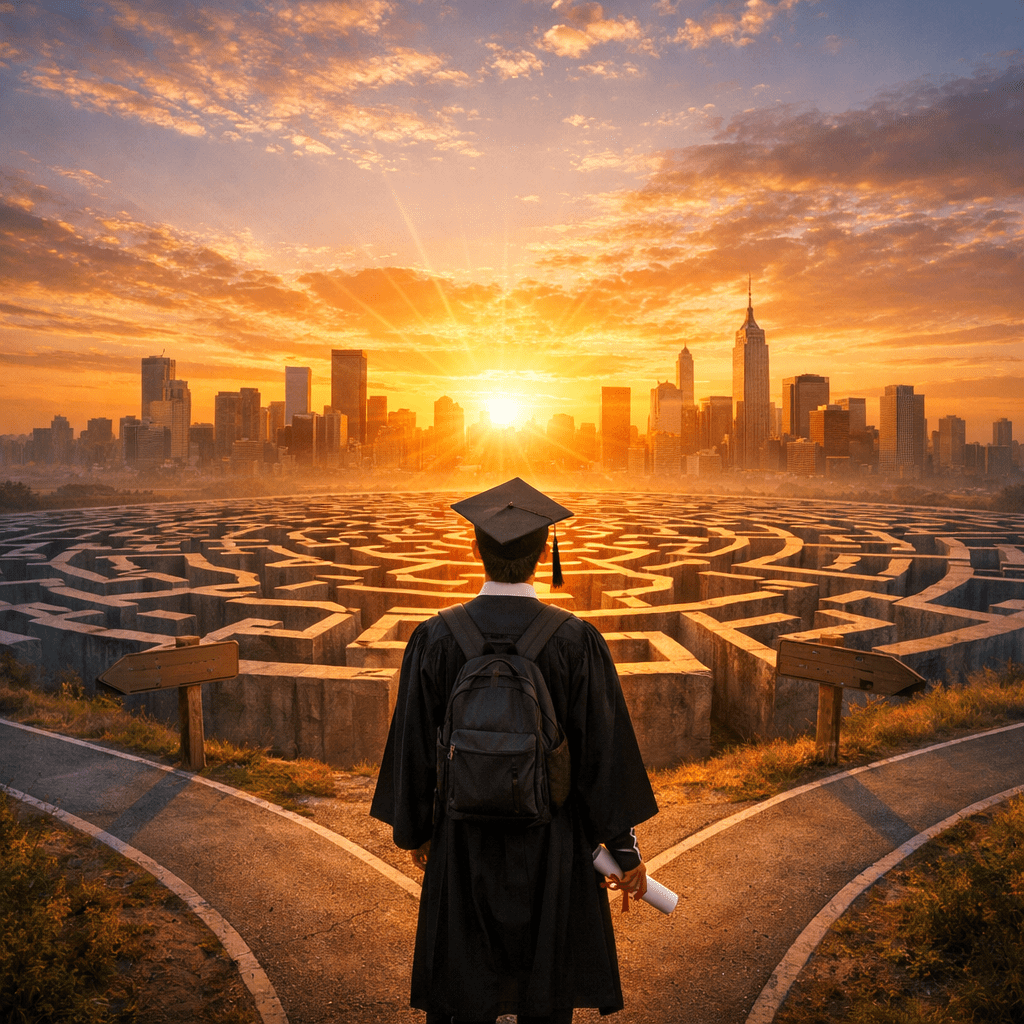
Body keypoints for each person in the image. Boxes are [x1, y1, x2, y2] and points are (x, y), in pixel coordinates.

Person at [370, 478, 659, 1023]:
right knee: (545, 999)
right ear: (544, 551)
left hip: (462, 841)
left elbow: (413, 749)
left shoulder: (435, 637)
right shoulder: (576, 640)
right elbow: (603, 756)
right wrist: (624, 852)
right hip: (553, 847)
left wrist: (417, 833)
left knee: (460, 997)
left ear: (476, 548)